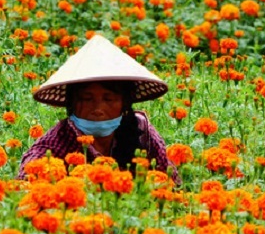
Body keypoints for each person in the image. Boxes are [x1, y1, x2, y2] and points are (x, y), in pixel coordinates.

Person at [18, 34, 180, 185]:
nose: (98, 109)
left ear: (124, 103)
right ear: (72, 103)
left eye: (108, 99)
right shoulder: (55, 143)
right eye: (87, 99)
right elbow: (25, 185)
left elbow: (173, 184)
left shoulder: (142, 132)